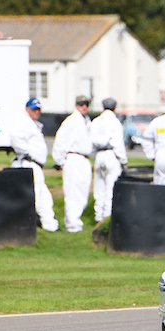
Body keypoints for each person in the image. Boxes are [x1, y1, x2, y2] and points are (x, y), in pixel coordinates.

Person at [9, 98, 59, 232]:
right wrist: (26, 151)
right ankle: (44, 226)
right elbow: (14, 136)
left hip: (35, 164)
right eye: (33, 109)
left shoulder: (32, 123)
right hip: (29, 163)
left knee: (43, 196)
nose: (37, 112)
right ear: (27, 109)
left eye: (38, 109)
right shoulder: (24, 121)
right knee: (38, 196)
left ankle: (50, 225)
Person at [52, 95, 94, 232]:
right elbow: (60, 141)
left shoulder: (86, 121)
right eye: (82, 104)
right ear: (76, 105)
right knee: (73, 191)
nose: (84, 107)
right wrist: (60, 161)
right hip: (73, 157)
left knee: (82, 190)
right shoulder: (71, 121)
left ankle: (76, 221)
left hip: (84, 159)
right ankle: (72, 224)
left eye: (86, 104)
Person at [89, 97, 127, 221]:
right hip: (111, 155)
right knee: (110, 188)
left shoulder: (96, 121)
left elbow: (91, 142)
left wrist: (95, 157)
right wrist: (123, 161)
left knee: (99, 188)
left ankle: (98, 215)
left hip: (99, 154)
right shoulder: (115, 122)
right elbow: (118, 143)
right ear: (114, 107)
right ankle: (107, 217)